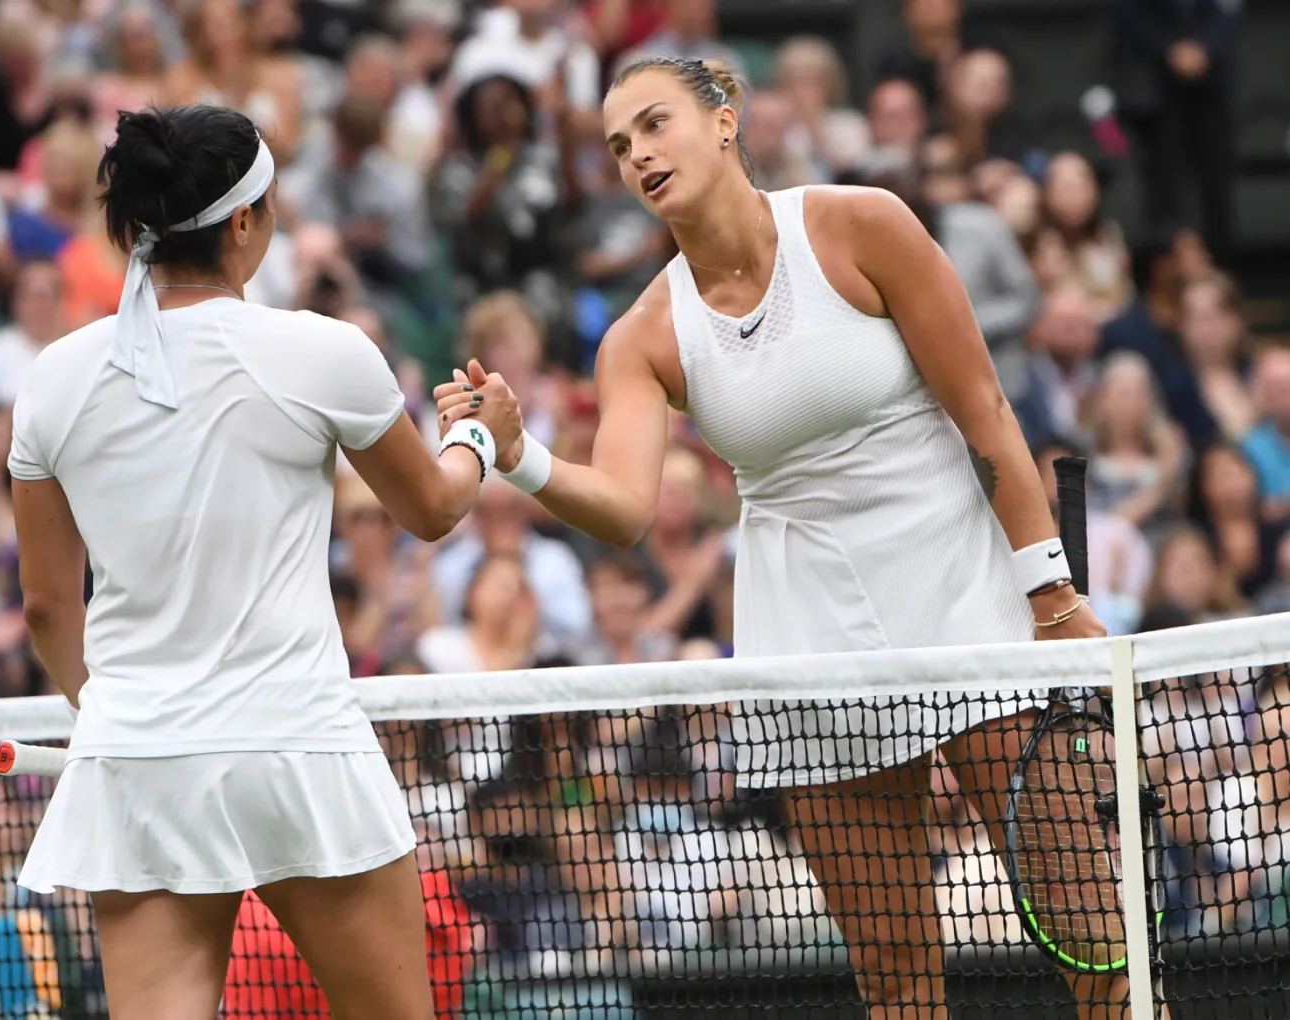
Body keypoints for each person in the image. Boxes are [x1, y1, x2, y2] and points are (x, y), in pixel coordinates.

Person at [435, 58, 1130, 1019]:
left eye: (654, 124)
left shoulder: (861, 225)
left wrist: (1052, 593)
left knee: (1100, 950)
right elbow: (628, 509)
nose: (638, 153)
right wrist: (521, 455)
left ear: (725, 122)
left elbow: (987, 412)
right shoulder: (642, 336)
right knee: (896, 988)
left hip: (973, 601)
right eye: (618, 144)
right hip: (812, 641)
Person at [8, 104, 521, 1020]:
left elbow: (48, 608)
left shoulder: (50, 380)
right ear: (243, 222)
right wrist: (479, 434)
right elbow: (435, 507)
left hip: (141, 762)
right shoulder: (326, 352)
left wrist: (121, 713)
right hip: (299, 754)